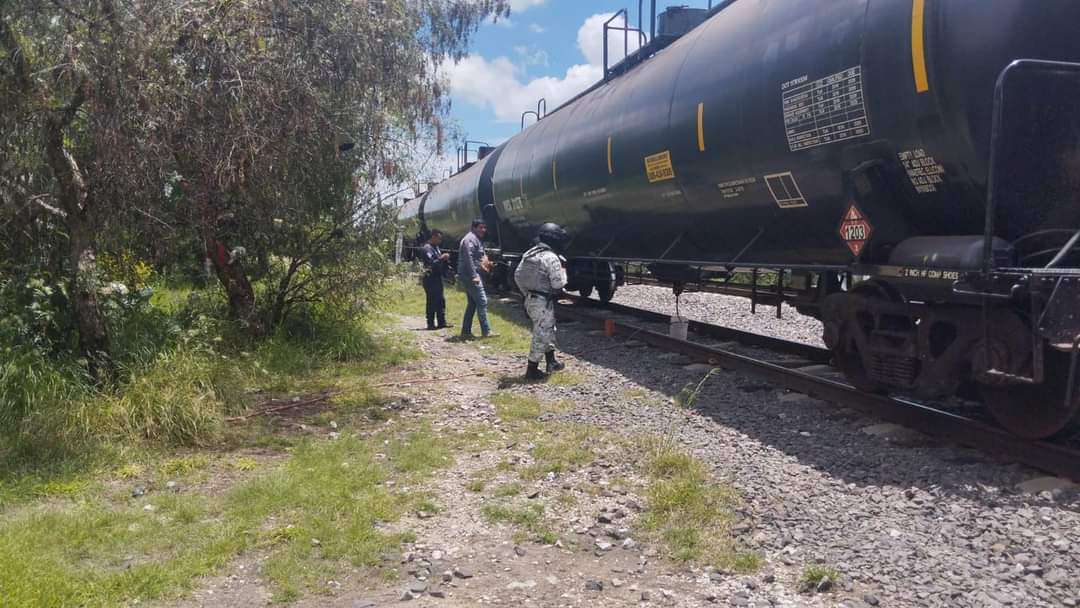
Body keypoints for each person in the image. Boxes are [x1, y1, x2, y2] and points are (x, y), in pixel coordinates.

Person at [514, 222, 569, 380]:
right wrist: (563, 270)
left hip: (531, 298)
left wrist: (527, 294)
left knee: (549, 330)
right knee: (542, 333)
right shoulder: (551, 257)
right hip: (543, 300)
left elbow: (517, 276)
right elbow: (558, 284)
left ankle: (551, 361)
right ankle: (532, 369)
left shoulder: (530, 253)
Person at [458, 219, 495, 339]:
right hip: (470, 275)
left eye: (484, 227)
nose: (483, 230)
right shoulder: (469, 239)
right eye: (480, 227)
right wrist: (474, 275)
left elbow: (477, 257)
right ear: (473, 228)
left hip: (472, 274)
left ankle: (465, 331)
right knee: (482, 301)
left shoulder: (476, 239)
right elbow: (468, 258)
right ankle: (486, 331)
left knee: (472, 303)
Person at [420, 230, 451, 330]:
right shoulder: (427, 248)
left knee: (440, 300)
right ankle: (430, 323)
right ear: (433, 237)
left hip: (437, 277)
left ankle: (441, 322)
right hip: (430, 278)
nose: (440, 241)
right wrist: (442, 258)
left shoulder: (436, 248)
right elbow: (431, 263)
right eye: (439, 238)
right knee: (431, 301)